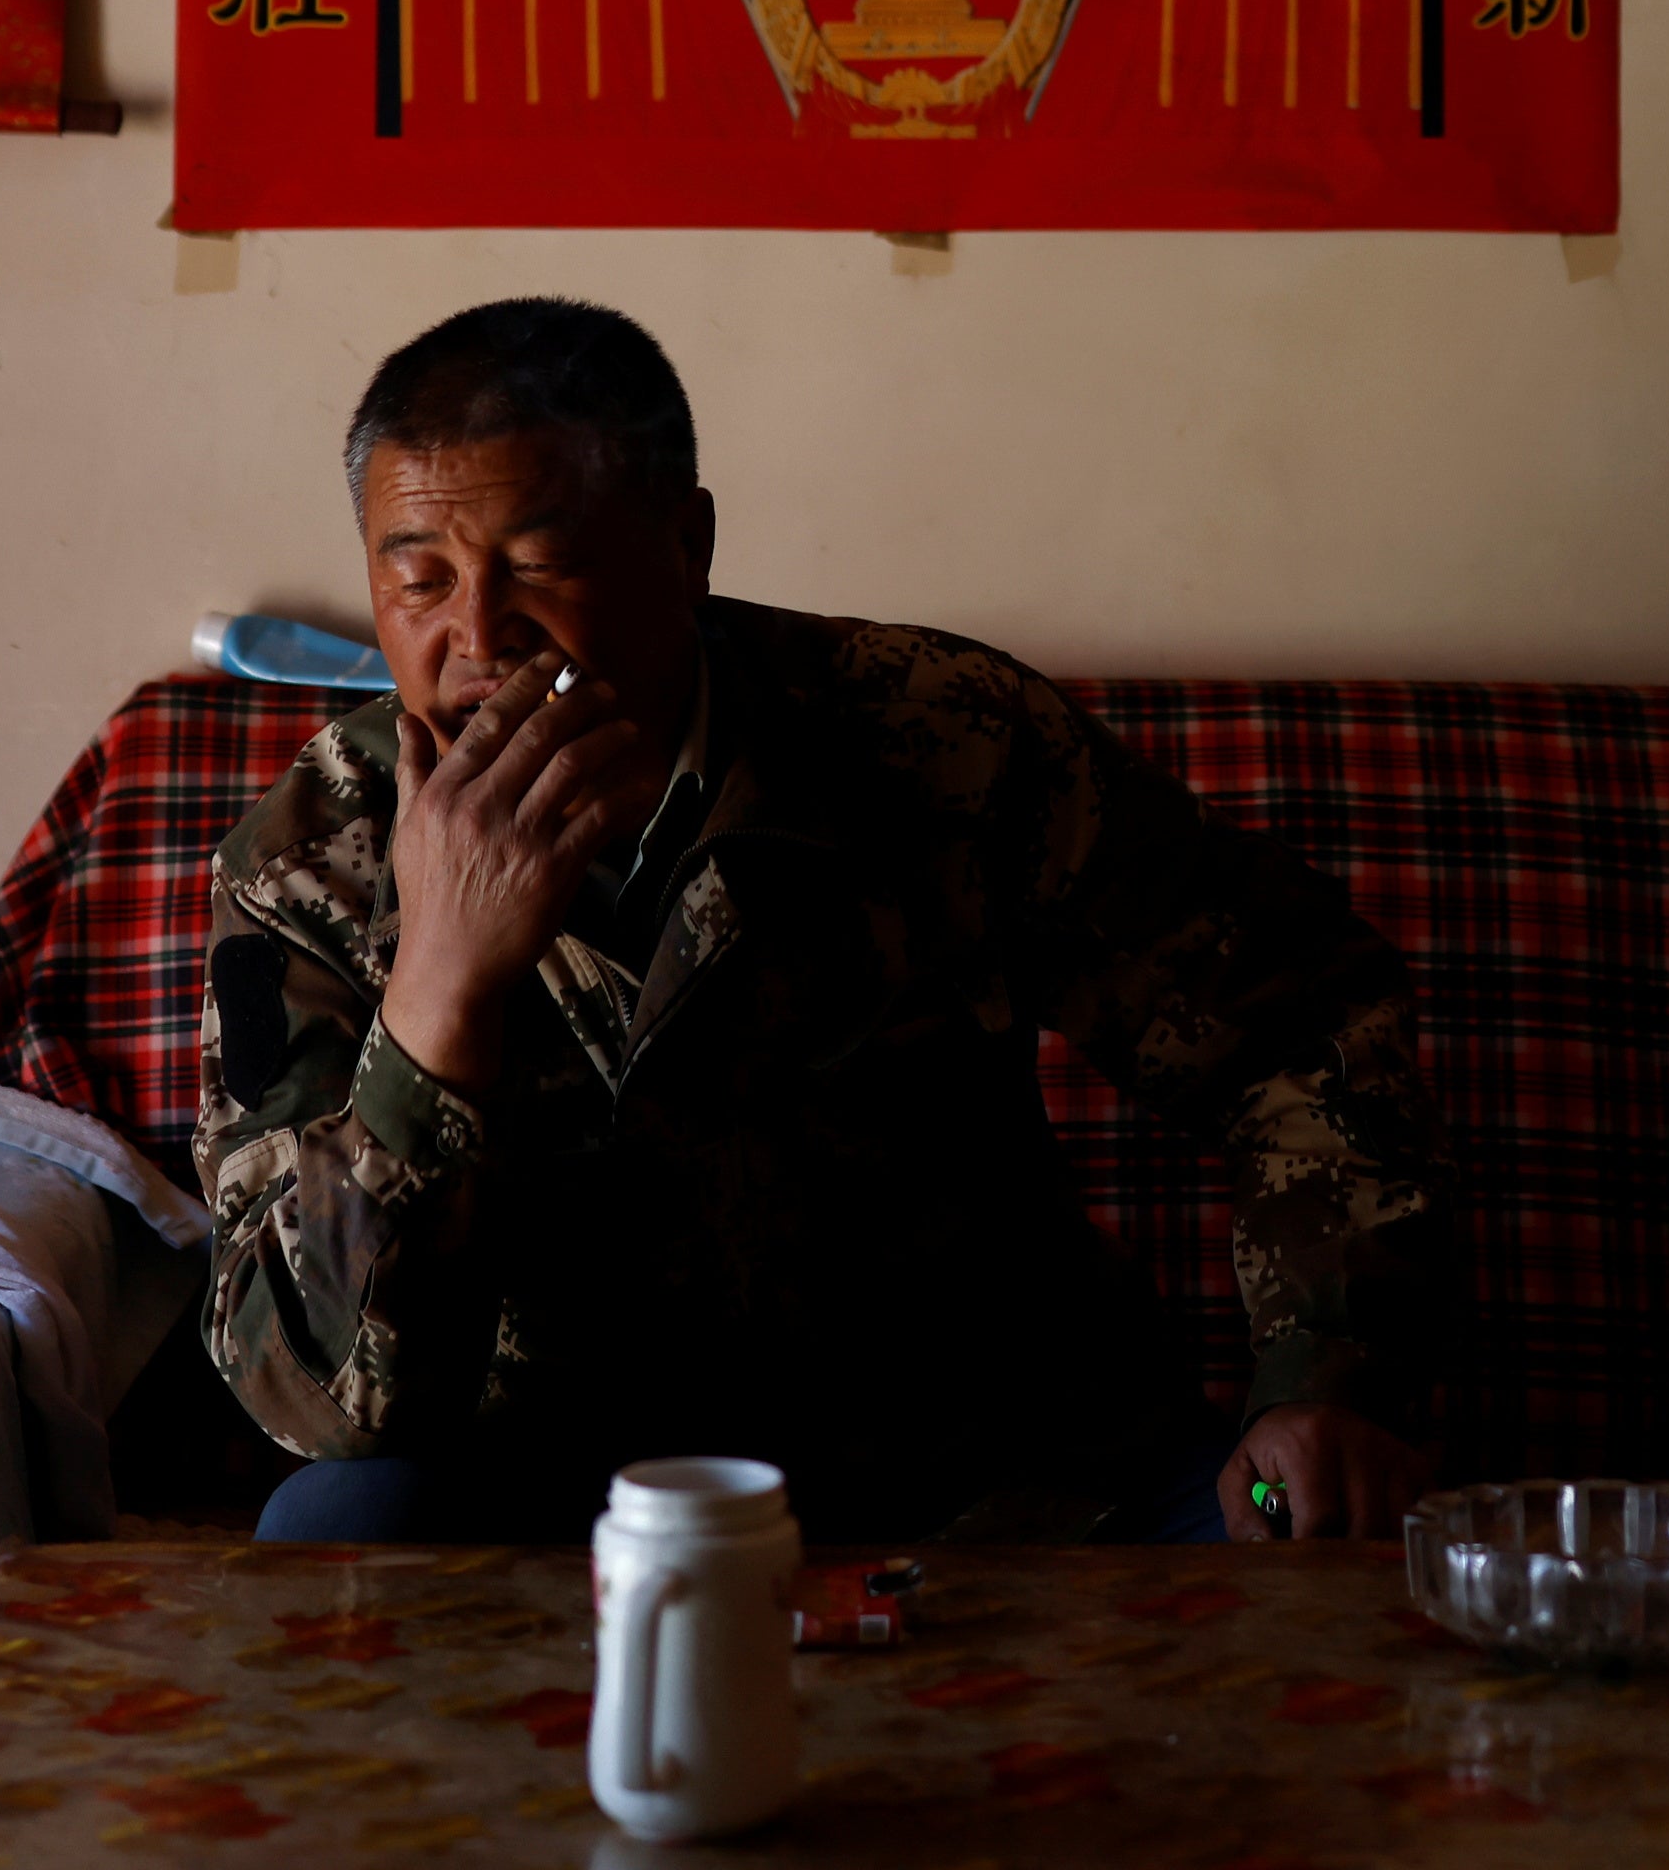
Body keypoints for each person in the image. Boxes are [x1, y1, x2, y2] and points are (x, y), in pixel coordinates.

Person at [199, 297, 1456, 1545]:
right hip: (550, 1488)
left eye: (540, 562)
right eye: (417, 577)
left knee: (1308, 1543)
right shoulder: (312, 861)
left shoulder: (944, 739)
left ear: (684, 544)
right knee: (337, 1527)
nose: (477, 634)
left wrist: (1327, 1379)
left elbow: (1301, 1024)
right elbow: (311, 1393)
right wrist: (439, 996)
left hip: (1001, 1466)